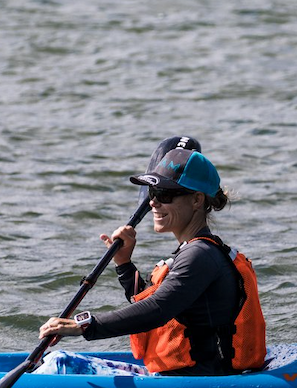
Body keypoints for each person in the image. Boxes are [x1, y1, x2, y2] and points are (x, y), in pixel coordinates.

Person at [39, 149, 266, 376]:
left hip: (199, 382)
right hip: (182, 377)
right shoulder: (194, 251)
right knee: (54, 360)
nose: (153, 203)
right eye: (153, 192)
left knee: (58, 366)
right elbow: (154, 303)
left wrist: (85, 325)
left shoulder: (200, 255)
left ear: (197, 200)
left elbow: (158, 309)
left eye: (165, 195)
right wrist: (124, 264)